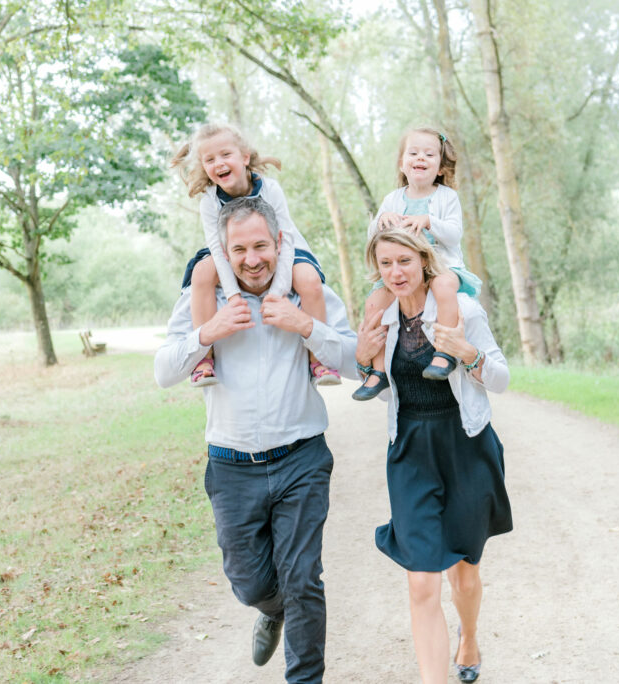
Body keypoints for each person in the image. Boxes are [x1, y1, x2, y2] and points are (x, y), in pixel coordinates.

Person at [155, 196, 358, 683]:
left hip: (302, 458)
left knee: (302, 579)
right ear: (224, 252)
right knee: (249, 585)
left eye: (261, 246)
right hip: (230, 464)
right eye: (239, 249)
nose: (252, 259)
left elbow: (357, 361)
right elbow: (164, 371)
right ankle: (272, 608)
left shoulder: (306, 291)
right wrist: (208, 332)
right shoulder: (204, 298)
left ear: (279, 242)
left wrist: (306, 325)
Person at [354, 228, 511, 683]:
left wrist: (468, 353)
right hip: (410, 451)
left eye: (403, 261)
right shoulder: (381, 317)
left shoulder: (462, 309)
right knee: (422, 581)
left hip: (465, 448)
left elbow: (500, 379)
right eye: (385, 263)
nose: (395, 272)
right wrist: (365, 362)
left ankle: (470, 637)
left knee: (463, 576)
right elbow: (387, 393)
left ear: (424, 262)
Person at [171, 123, 341, 387]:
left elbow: (286, 239)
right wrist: (233, 297)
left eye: (226, 155)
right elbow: (218, 249)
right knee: (202, 272)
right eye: (210, 159)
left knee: (308, 279)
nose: (219, 164)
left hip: (280, 245)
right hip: (230, 249)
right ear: (204, 166)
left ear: (245, 157)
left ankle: (318, 360)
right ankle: (204, 360)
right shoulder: (210, 200)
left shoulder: (270, 189)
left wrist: (278, 291)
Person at [352, 126, 482, 401]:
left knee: (444, 286)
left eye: (429, 154)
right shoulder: (393, 199)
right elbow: (373, 235)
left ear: (440, 167)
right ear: (402, 163)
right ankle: (378, 371)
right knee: (374, 302)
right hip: (404, 271)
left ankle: (444, 352)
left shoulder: (446, 197)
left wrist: (429, 222)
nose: (420, 158)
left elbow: (455, 234)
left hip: (442, 266)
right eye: (413, 153)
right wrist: (380, 221)